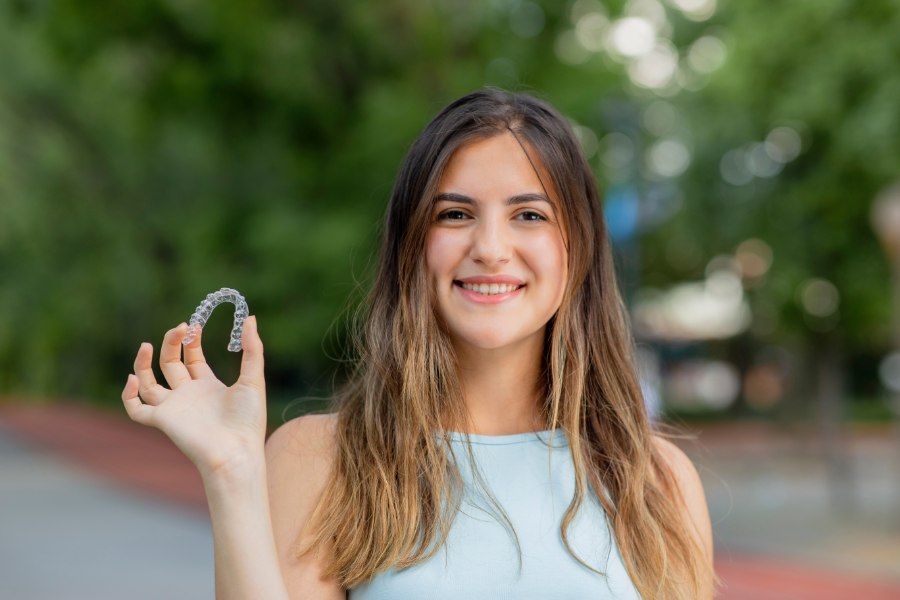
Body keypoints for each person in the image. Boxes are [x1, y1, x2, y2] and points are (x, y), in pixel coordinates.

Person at [121, 87, 717, 599]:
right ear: (412, 247)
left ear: (578, 248)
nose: (489, 247)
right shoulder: (321, 459)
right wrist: (232, 472)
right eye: (455, 214)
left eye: (529, 216)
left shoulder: (657, 480)